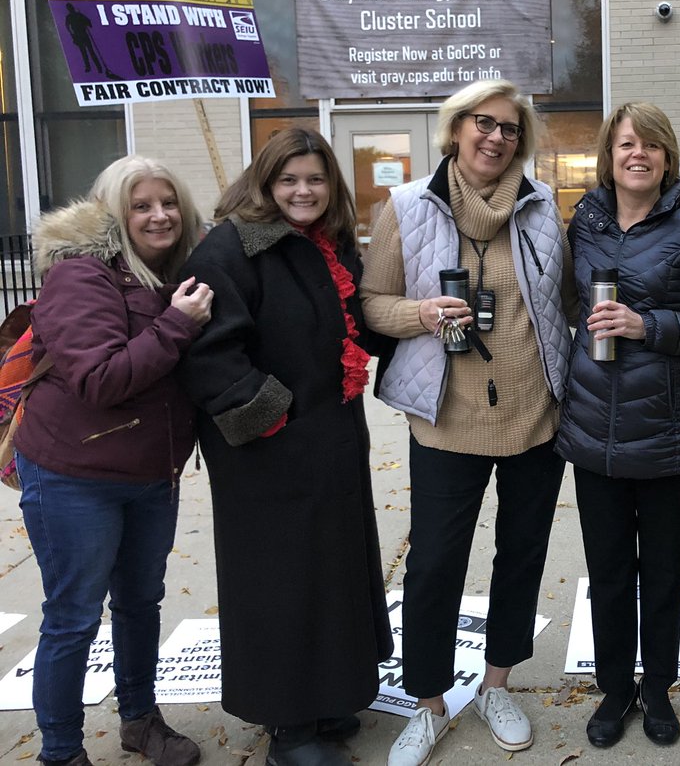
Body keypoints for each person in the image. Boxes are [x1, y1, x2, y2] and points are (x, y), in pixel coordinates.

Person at [360, 79, 574, 766]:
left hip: (534, 418)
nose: (496, 137)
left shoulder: (542, 210)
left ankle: (498, 684)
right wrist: (420, 315)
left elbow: (564, 299)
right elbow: (371, 303)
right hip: (446, 422)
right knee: (434, 564)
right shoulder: (406, 208)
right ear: (456, 130)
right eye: (484, 123)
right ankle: (427, 702)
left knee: (522, 557)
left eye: (510, 129)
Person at [179, 128, 392, 766]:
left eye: (316, 178)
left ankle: (327, 697)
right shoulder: (228, 250)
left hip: (330, 446)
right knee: (280, 585)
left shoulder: (325, 247)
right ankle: (287, 726)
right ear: (266, 184)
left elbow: (352, 328)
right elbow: (209, 355)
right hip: (267, 457)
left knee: (330, 576)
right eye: (289, 179)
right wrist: (277, 418)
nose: (304, 191)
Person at [15, 156, 212, 766]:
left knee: (138, 603)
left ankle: (140, 721)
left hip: (152, 472)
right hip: (75, 475)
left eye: (169, 202)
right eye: (141, 205)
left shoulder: (171, 272)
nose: (160, 215)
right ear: (113, 214)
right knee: (73, 616)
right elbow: (100, 379)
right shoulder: (81, 275)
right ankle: (61, 751)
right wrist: (178, 324)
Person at [555, 103, 680, 749]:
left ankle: (656, 691)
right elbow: (565, 306)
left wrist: (645, 325)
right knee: (606, 575)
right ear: (608, 155)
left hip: (668, 434)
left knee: (660, 576)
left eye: (651, 145)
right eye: (626, 144)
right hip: (593, 431)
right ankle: (614, 691)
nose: (638, 154)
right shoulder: (584, 226)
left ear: (667, 156)